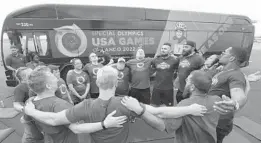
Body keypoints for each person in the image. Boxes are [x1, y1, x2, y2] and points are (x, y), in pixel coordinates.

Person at [23, 66, 148, 143]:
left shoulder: (30, 102)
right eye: (51, 75)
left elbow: (32, 130)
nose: (56, 77)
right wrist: (104, 124)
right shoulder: (60, 105)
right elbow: (76, 128)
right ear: (49, 85)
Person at [122, 70, 221, 143]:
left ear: (192, 87)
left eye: (188, 80)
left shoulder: (186, 103)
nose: (185, 81)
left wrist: (140, 110)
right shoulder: (217, 100)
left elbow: (162, 125)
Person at [209, 47, 248, 143]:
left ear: (231, 58)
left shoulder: (236, 75)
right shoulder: (224, 71)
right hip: (210, 119)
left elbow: (239, 94)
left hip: (218, 123)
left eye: (224, 52)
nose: (221, 54)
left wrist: (235, 103)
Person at [12, 67, 44, 143]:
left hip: (38, 117)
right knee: (32, 138)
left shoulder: (35, 84)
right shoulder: (20, 88)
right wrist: (24, 109)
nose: (34, 73)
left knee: (40, 136)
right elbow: (16, 104)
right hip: (30, 119)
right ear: (24, 77)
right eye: (31, 73)